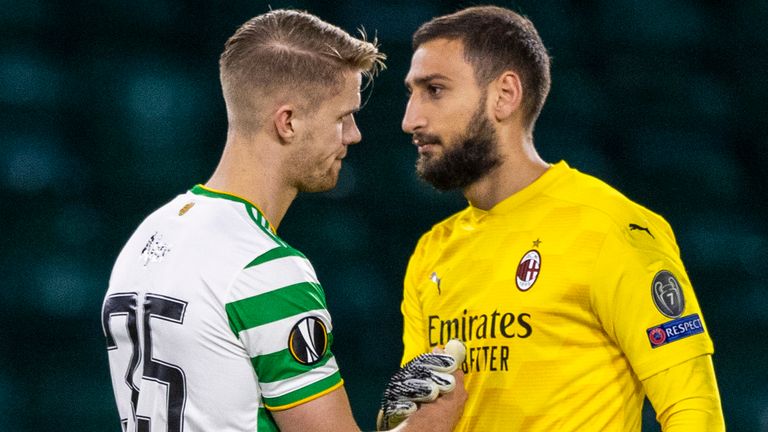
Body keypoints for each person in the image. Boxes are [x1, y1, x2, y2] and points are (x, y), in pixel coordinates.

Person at [101, 9, 465, 432]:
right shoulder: (264, 270)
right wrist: (440, 415)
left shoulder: (148, 237)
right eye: (342, 117)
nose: (353, 134)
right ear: (288, 122)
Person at [398, 5, 725, 431]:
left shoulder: (609, 226)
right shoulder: (431, 254)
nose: (410, 120)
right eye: (411, 92)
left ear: (505, 95)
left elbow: (692, 409)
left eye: (435, 90)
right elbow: (413, 413)